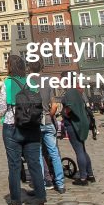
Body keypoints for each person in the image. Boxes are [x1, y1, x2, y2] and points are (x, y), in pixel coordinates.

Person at [0, 55, 46, 205]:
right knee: (35, 165)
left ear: (10, 67)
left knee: (14, 166)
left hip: (12, 127)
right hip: (32, 127)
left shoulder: (7, 83)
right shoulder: (32, 81)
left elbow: (2, 108)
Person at [26, 61, 63, 192]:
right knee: (54, 153)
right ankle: (60, 184)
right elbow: (54, 105)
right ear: (42, 67)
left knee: (39, 154)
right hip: (48, 120)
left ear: (29, 68)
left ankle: (41, 184)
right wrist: (50, 115)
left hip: (35, 123)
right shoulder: (48, 81)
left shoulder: (28, 82)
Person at [61, 81, 94, 185]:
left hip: (74, 124)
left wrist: (65, 114)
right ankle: (90, 175)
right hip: (82, 123)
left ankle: (83, 178)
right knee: (83, 150)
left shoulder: (70, 93)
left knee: (79, 151)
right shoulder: (78, 93)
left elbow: (69, 108)